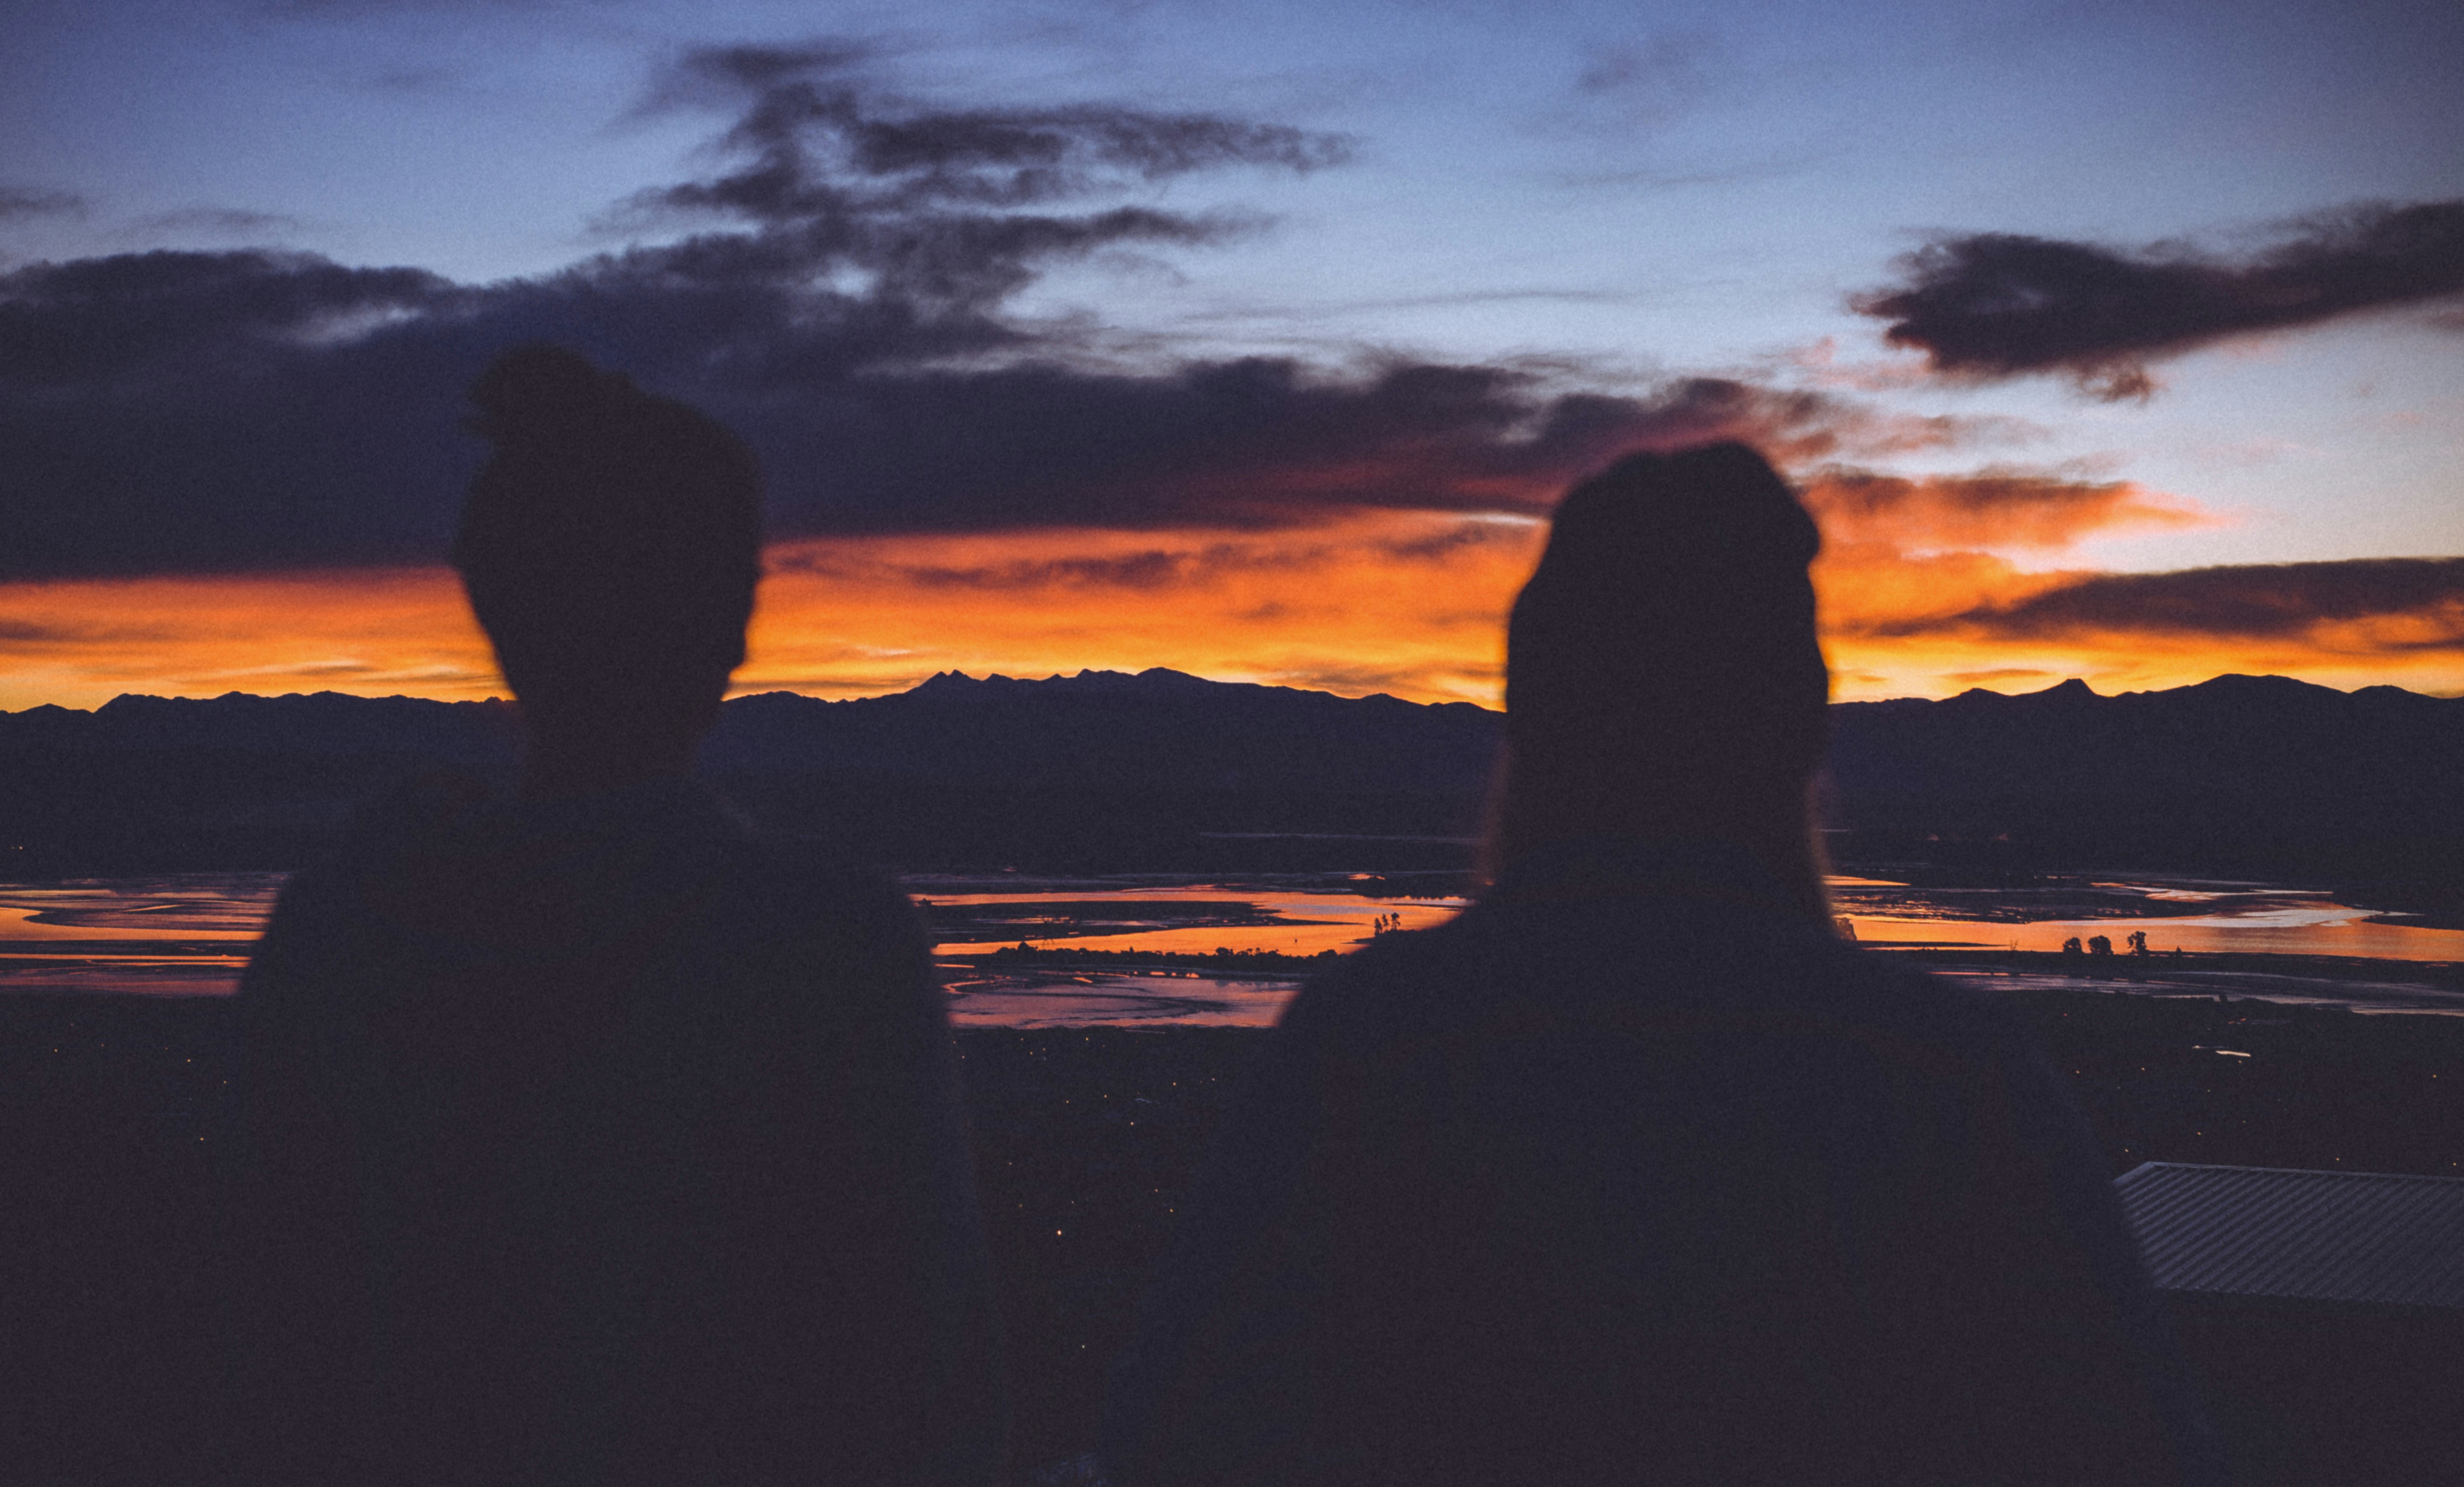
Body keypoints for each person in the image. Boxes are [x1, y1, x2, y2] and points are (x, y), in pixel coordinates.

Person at [1102, 443, 2221, 1486]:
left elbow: (1175, 1436)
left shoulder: (1363, 1049)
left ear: (1532, 722)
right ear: (1804, 732)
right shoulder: (1952, 1079)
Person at [233, 346, 1006, 1486]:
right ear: (733, 625)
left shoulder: (332, 938)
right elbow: (927, 1396)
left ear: (494, 603)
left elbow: (267, 1354)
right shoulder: (822, 951)